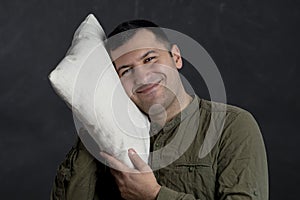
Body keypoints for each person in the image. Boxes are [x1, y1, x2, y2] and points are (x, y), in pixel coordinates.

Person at [50, 20, 268, 200]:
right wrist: (92, 115)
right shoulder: (114, 138)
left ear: (176, 58)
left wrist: (154, 195)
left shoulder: (232, 126)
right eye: (126, 71)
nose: (142, 77)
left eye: (150, 59)